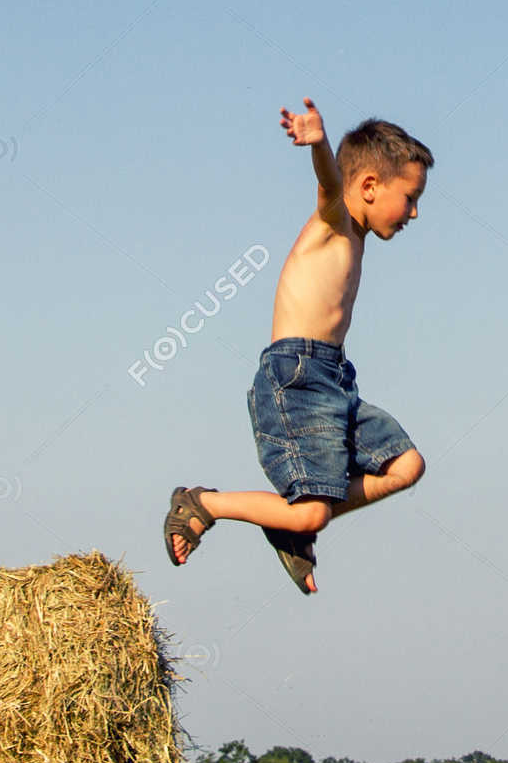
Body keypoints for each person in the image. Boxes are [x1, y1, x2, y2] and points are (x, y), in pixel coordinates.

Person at [163, 98, 431, 594]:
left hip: (334, 380)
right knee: (311, 516)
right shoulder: (336, 220)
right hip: (297, 378)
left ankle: (290, 522)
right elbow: (332, 183)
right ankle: (203, 503)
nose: (415, 211)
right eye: (410, 197)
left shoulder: (361, 233)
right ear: (370, 186)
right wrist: (320, 143)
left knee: (407, 465)